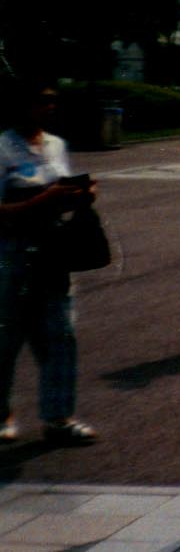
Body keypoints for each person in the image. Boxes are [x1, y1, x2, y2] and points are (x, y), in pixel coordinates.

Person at [0, 81, 98, 444]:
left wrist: (81, 195)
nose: (50, 107)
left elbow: (60, 195)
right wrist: (43, 200)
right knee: (6, 337)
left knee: (61, 335)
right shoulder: (2, 147)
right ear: (22, 105)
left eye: (53, 101)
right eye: (43, 101)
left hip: (53, 252)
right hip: (11, 253)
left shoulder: (56, 145)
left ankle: (58, 417)